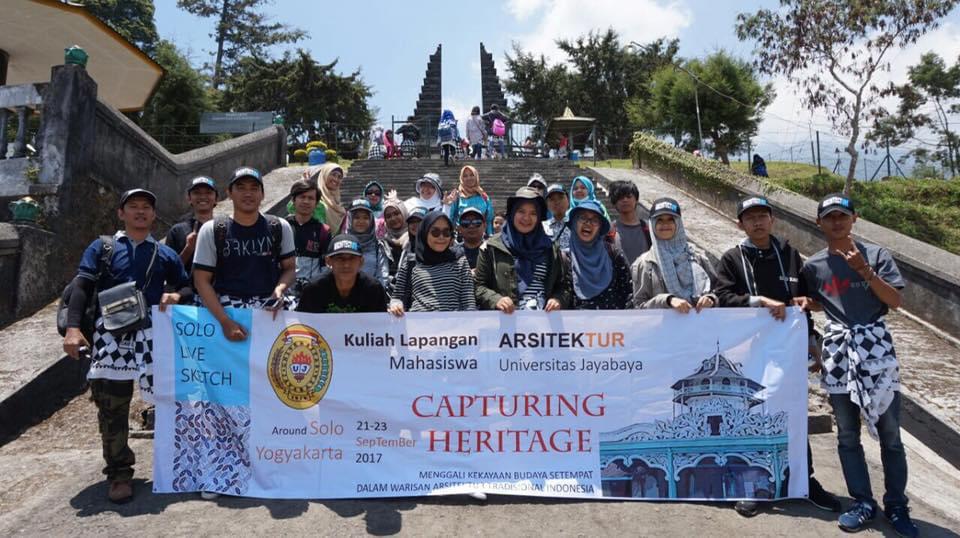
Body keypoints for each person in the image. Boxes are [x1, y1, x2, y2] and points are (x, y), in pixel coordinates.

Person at [714, 195, 841, 518]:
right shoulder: (732, 258)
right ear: (740, 223)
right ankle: (754, 485)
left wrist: (812, 339)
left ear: (773, 220)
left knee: (793, 414)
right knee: (754, 416)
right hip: (749, 352)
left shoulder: (790, 255)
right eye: (750, 217)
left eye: (763, 216)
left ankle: (805, 481)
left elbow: (804, 302)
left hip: (789, 350)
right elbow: (724, 297)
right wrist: (759, 302)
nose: (757, 222)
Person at [796, 193, 915, 536]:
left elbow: (895, 301)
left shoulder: (877, 256)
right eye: (829, 217)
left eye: (842, 216)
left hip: (876, 351)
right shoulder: (813, 266)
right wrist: (810, 304)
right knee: (848, 434)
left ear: (854, 219)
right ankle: (862, 501)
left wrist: (864, 269)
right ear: (819, 223)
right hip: (839, 353)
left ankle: (896, 504)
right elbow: (823, 303)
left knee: (890, 434)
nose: (836, 222)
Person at [62, 189, 189, 503]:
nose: (141, 212)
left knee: (170, 400)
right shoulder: (103, 247)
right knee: (112, 406)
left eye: (147, 207)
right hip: (111, 336)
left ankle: (179, 466)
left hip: (153, 336)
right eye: (133, 207)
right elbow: (82, 286)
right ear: (121, 213)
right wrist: (74, 328)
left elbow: (186, 284)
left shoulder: (164, 254)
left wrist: (177, 295)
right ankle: (119, 472)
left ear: (154, 215)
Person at [193, 166, 296, 321]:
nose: (248, 194)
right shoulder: (212, 230)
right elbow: (201, 281)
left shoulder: (280, 227)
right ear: (229, 193)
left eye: (254, 188)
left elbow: (290, 268)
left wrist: (280, 290)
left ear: (262, 194)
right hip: (224, 308)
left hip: (270, 308)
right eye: (241, 188)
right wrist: (225, 322)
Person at [475, 187, 571, 312]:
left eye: (533, 213)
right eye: (521, 211)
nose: (526, 218)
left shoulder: (550, 248)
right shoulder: (491, 247)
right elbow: (478, 286)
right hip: (504, 326)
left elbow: (564, 287)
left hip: (542, 327)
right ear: (513, 212)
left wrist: (558, 299)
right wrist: (495, 299)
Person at [632, 197, 717, 312]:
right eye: (659, 220)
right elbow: (638, 306)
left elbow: (718, 291)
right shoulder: (645, 263)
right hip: (663, 329)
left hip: (699, 327)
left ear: (678, 223)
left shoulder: (697, 256)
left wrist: (710, 299)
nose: (665, 224)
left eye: (670, 219)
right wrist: (667, 300)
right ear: (652, 224)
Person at [389, 211, 476, 315]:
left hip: (453, 328)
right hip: (418, 327)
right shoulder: (411, 262)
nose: (441, 237)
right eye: (435, 232)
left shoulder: (459, 260)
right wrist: (396, 306)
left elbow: (468, 303)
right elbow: (397, 297)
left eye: (446, 232)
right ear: (425, 233)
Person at [296, 235, 389, 313]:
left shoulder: (373, 289)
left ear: (361, 262)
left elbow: (380, 325)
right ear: (328, 261)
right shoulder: (313, 289)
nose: (346, 264)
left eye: (352, 258)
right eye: (340, 258)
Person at [566, 200, 633, 310]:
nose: (588, 223)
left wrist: (621, 324)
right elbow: (561, 296)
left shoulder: (613, 254)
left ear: (600, 228)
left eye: (595, 220)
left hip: (612, 326)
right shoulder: (565, 259)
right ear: (574, 222)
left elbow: (629, 293)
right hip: (576, 326)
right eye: (583, 218)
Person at [285, 179, 331, 298]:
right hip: (284, 293)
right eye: (302, 196)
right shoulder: (281, 227)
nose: (306, 201)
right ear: (293, 200)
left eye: (311, 198)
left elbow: (325, 266)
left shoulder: (324, 231)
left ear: (316, 203)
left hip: (312, 294)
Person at [165, 176, 218, 275]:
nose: (202, 197)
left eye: (208, 193)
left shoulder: (224, 228)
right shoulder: (177, 231)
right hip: (186, 288)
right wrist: (188, 249)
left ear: (216, 199)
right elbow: (169, 272)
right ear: (189, 198)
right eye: (197, 193)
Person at [346, 199, 391, 289]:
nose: (361, 221)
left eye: (365, 218)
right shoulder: (343, 244)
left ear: (371, 220)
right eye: (357, 217)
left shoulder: (378, 246)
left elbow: (383, 276)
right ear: (350, 219)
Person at [292, 162, 347, 233]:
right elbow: (291, 208)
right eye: (333, 175)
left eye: (339, 177)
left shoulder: (338, 204)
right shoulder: (313, 196)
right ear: (325, 175)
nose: (336, 179)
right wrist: (303, 188)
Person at [608, 180, 651, 266]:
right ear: (614, 203)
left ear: (636, 199)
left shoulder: (649, 228)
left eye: (629, 196)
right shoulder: (609, 230)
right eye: (620, 197)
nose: (625, 200)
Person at [447, 165, 494, 235]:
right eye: (465, 176)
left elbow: (489, 220)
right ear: (461, 178)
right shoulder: (457, 196)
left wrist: (490, 236)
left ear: (476, 176)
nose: (469, 178)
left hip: (481, 237)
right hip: (461, 237)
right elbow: (450, 218)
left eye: (472, 175)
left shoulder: (483, 195)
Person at [378, 194, 409, 276]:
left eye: (396, 213)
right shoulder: (382, 242)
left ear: (404, 213)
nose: (393, 218)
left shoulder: (415, 238)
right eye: (388, 216)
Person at [543, 183, 571, 251]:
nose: (557, 202)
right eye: (552, 199)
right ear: (547, 204)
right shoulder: (542, 227)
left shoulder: (576, 225)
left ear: (568, 200)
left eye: (561, 197)